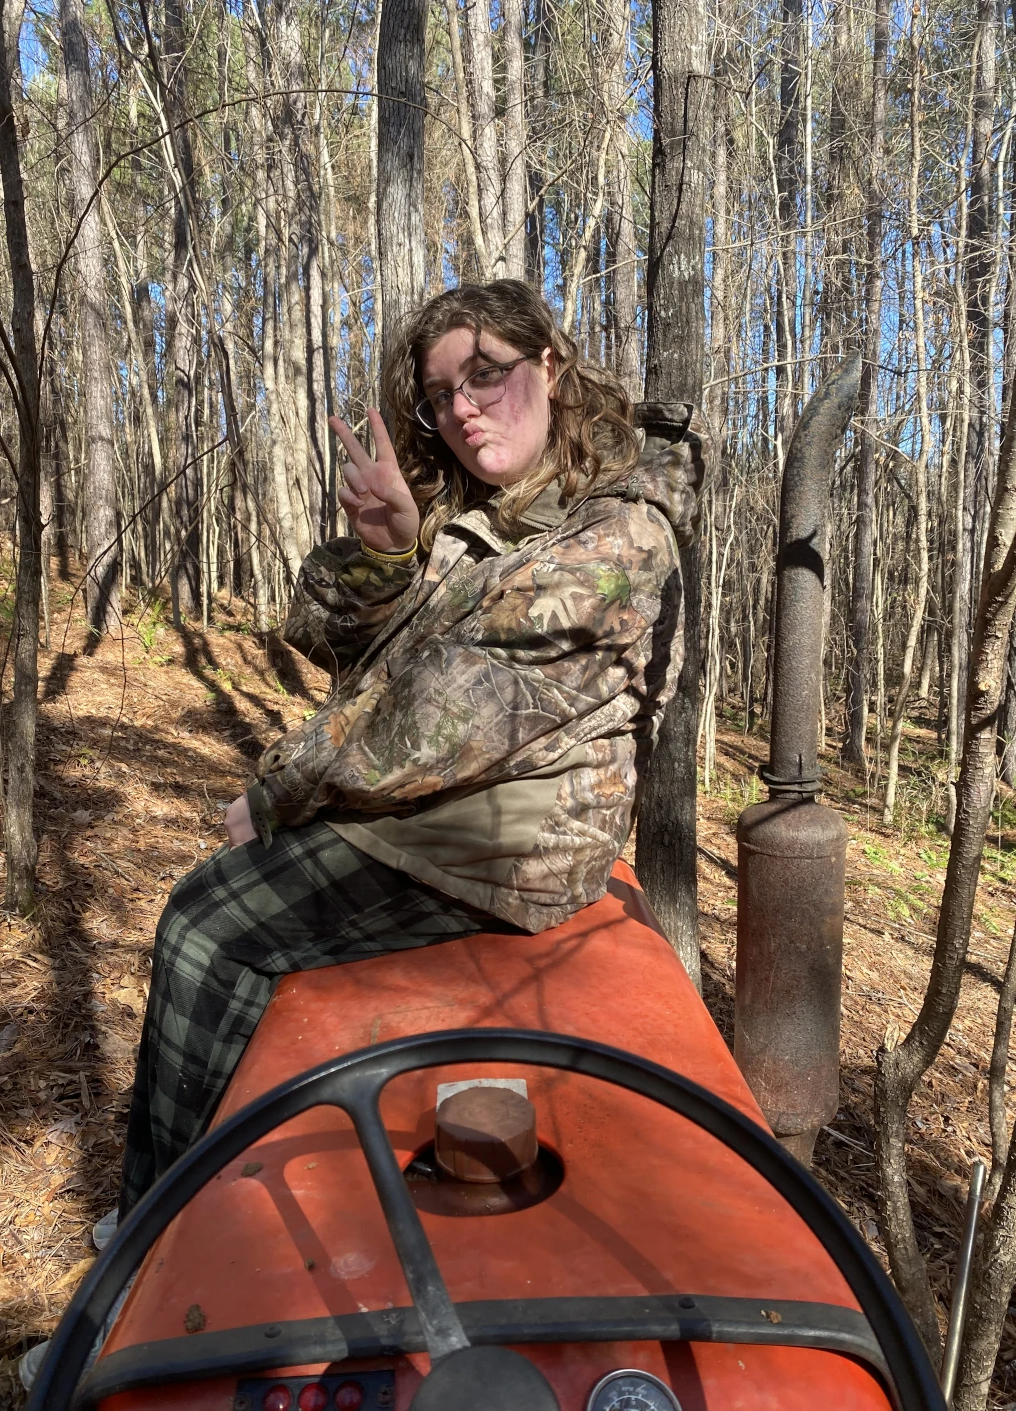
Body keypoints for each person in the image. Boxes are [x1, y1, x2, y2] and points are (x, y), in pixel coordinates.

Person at [118, 278, 708, 1218]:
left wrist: (285, 790)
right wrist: (388, 554)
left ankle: (156, 1229)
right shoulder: (495, 515)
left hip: (513, 843)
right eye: (441, 395)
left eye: (486, 375)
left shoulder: (617, 531)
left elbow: (452, 711)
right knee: (216, 912)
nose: (464, 410)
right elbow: (336, 647)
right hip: (450, 810)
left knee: (205, 931)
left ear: (549, 366)